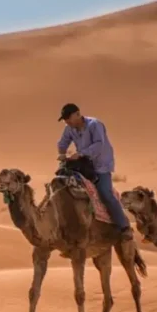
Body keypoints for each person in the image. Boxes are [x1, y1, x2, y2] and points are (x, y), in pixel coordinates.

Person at [56, 103, 134, 241]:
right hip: (83, 165)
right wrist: (62, 154)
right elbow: (62, 143)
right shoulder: (69, 128)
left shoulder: (95, 125)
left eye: (68, 118)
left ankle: (124, 227)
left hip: (100, 165)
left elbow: (99, 145)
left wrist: (80, 153)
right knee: (61, 184)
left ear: (77, 114)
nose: (66, 121)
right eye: (65, 119)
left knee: (105, 193)